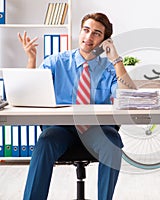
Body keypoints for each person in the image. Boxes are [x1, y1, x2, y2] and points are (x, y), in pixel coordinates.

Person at [18, 12, 136, 200]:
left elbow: (129, 97)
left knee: (112, 145)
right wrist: (31, 61)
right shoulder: (57, 62)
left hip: (98, 129)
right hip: (61, 129)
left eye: (97, 33)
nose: (88, 37)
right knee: (45, 141)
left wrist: (116, 59)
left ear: (105, 40)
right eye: (86, 30)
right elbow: (31, 93)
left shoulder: (109, 69)